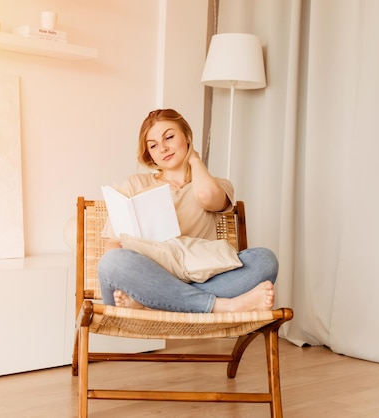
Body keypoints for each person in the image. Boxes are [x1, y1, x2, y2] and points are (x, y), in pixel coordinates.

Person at [98, 109, 277, 313]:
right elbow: (112, 244)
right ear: (150, 154)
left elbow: (207, 197)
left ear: (187, 136)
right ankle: (223, 306)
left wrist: (194, 161)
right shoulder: (135, 184)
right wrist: (135, 278)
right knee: (112, 262)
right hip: (148, 276)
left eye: (170, 137)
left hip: (198, 275)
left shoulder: (216, 184)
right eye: (154, 145)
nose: (163, 148)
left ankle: (155, 302)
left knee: (265, 260)